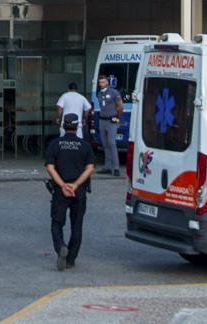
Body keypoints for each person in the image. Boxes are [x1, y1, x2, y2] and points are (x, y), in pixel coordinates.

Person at [45, 113, 95, 271]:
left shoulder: (55, 144)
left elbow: (50, 167)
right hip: (78, 191)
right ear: (78, 126)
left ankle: (60, 247)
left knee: (56, 223)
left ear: (63, 126)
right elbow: (90, 168)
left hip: (60, 191)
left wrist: (63, 185)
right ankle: (71, 259)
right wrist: (75, 185)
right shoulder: (85, 146)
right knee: (77, 225)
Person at [94, 74, 124, 177]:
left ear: (107, 82)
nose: (101, 84)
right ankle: (107, 167)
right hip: (102, 120)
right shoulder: (99, 93)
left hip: (112, 120)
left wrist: (117, 119)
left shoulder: (114, 92)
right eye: (99, 82)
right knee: (105, 144)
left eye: (103, 82)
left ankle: (116, 168)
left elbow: (120, 107)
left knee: (112, 143)